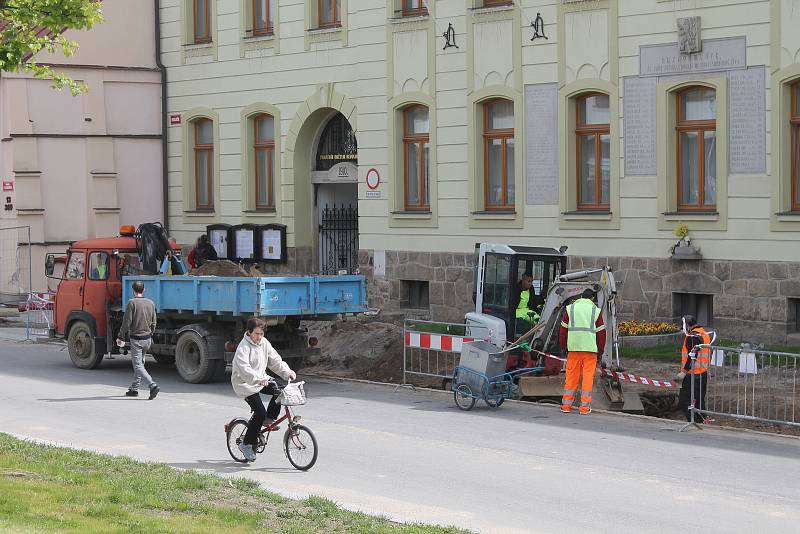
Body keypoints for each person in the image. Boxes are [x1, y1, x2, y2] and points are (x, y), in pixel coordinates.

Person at [231, 317, 297, 462]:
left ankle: (270, 418)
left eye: (262, 334)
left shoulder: (264, 343)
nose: (259, 337)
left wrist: (287, 372)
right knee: (259, 412)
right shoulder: (243, 348)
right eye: (256, 334)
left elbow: (275, 361)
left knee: (280, 389)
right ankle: (246, 444)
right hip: (245, 384)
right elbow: (245, 370)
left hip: (261, 380)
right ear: (249, 332)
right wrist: (257, 379)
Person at [559, 288, 606, 415]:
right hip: (590, 351)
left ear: (581, 297)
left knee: (571, 376)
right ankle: (584, 408)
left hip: (573, 349)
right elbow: (601, 334)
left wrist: (563, 347)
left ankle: (566, 406)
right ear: (592, 299)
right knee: (587, 377)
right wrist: (600, 350)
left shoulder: (570, 309)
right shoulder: (595, 311)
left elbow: (563, 331)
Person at [117, 281, 159, 399]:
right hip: (147, 339)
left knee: (138, 366)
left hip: (137, 339)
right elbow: (154, 322)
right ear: (144, 290)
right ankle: (134, 389)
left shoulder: (131, 303)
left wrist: (120, 336)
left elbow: (126, 323)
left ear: (133, 290)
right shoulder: (151, 303)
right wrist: (150, 333)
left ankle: (152, 385)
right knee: (140, 363)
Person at [676, 315, 712, 422]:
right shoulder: (704, 333)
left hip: (692, 374)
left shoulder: (693, 336)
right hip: (702, 373)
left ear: (687, 325)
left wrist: (683, 372)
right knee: (699, 400)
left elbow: (692, 356)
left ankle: (695, 421)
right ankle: (702, 420)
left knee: (685, 401)